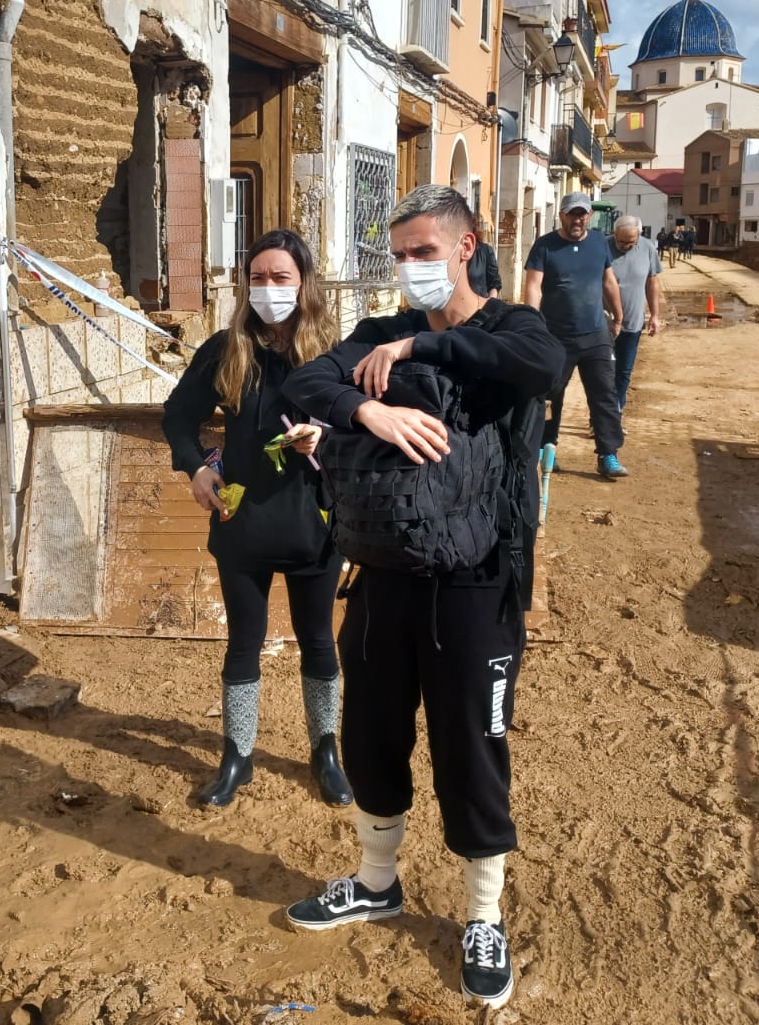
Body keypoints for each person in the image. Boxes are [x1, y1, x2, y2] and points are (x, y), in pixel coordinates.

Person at [279, 185, 563, 1010]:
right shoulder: (375, 333)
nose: (409, 270)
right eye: (399, 256)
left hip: (478, 586)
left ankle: (481, 916)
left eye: (424, 254)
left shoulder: (514, 327)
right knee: (371, 736)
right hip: (384, 576)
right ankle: (376, 882)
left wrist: (419, 356)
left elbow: (541, 369)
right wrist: (367, 407)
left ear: (466, 248)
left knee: (472, 749)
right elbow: (305, 383)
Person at [161, 229, 350, 809]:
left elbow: (363, 423)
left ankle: (326, 750)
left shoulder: (332, 352)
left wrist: (325, 433)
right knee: (244, 641)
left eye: (281, 277)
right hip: (241, 522)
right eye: (259, 277)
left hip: (314, 523)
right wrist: (195, 469)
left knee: (319, 640)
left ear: (305, 283)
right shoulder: (227, 349)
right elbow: (177, 416)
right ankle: (237, 754)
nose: (268, 288)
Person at [523, 191, 629, 479]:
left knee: (604, 394)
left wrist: (618, 315)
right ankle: (547, 449)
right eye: (572, 213)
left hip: (595, 334)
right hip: (556, 336)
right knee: (549, 394)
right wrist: (532, 324)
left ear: (589, 215)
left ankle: (608, 454)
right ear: (562, 215)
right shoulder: (545, 246)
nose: (577, 219)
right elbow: (534, 286)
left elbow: (609, 281)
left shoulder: (598, 242)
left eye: (582, 213)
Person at [609, 216, 664, 410]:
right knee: (605, 372)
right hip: (604, 323)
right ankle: (600, 418)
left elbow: (652, 282)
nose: (625, 246)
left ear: (639, 236)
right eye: (620, 241)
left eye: (630, 242)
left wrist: (655, 316)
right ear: (614, 234)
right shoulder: (602, 248)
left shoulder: (647, 248)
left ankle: (615, 413)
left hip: (633, 323)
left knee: (624, 372)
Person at [466, 225, 503, 299]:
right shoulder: (449, 253)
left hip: (479, 306)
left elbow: (494, 282)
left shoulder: (485, 251)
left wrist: (489, 302)